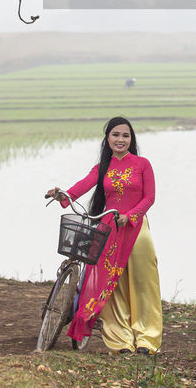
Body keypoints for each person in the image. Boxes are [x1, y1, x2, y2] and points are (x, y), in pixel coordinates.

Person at [46, 116, 161, 355]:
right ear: (107, 139)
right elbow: (79, 188)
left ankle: (146, 339)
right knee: (111, 285)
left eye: (125, 135)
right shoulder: (101, 169)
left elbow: (149, 197)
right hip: (108, 229)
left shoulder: (142, 164)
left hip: (137, 227)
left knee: (143, 282)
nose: (121, 139)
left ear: (131, 139)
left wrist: (129, 216)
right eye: (115, 135)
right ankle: (121, 342)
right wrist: (61, 195)